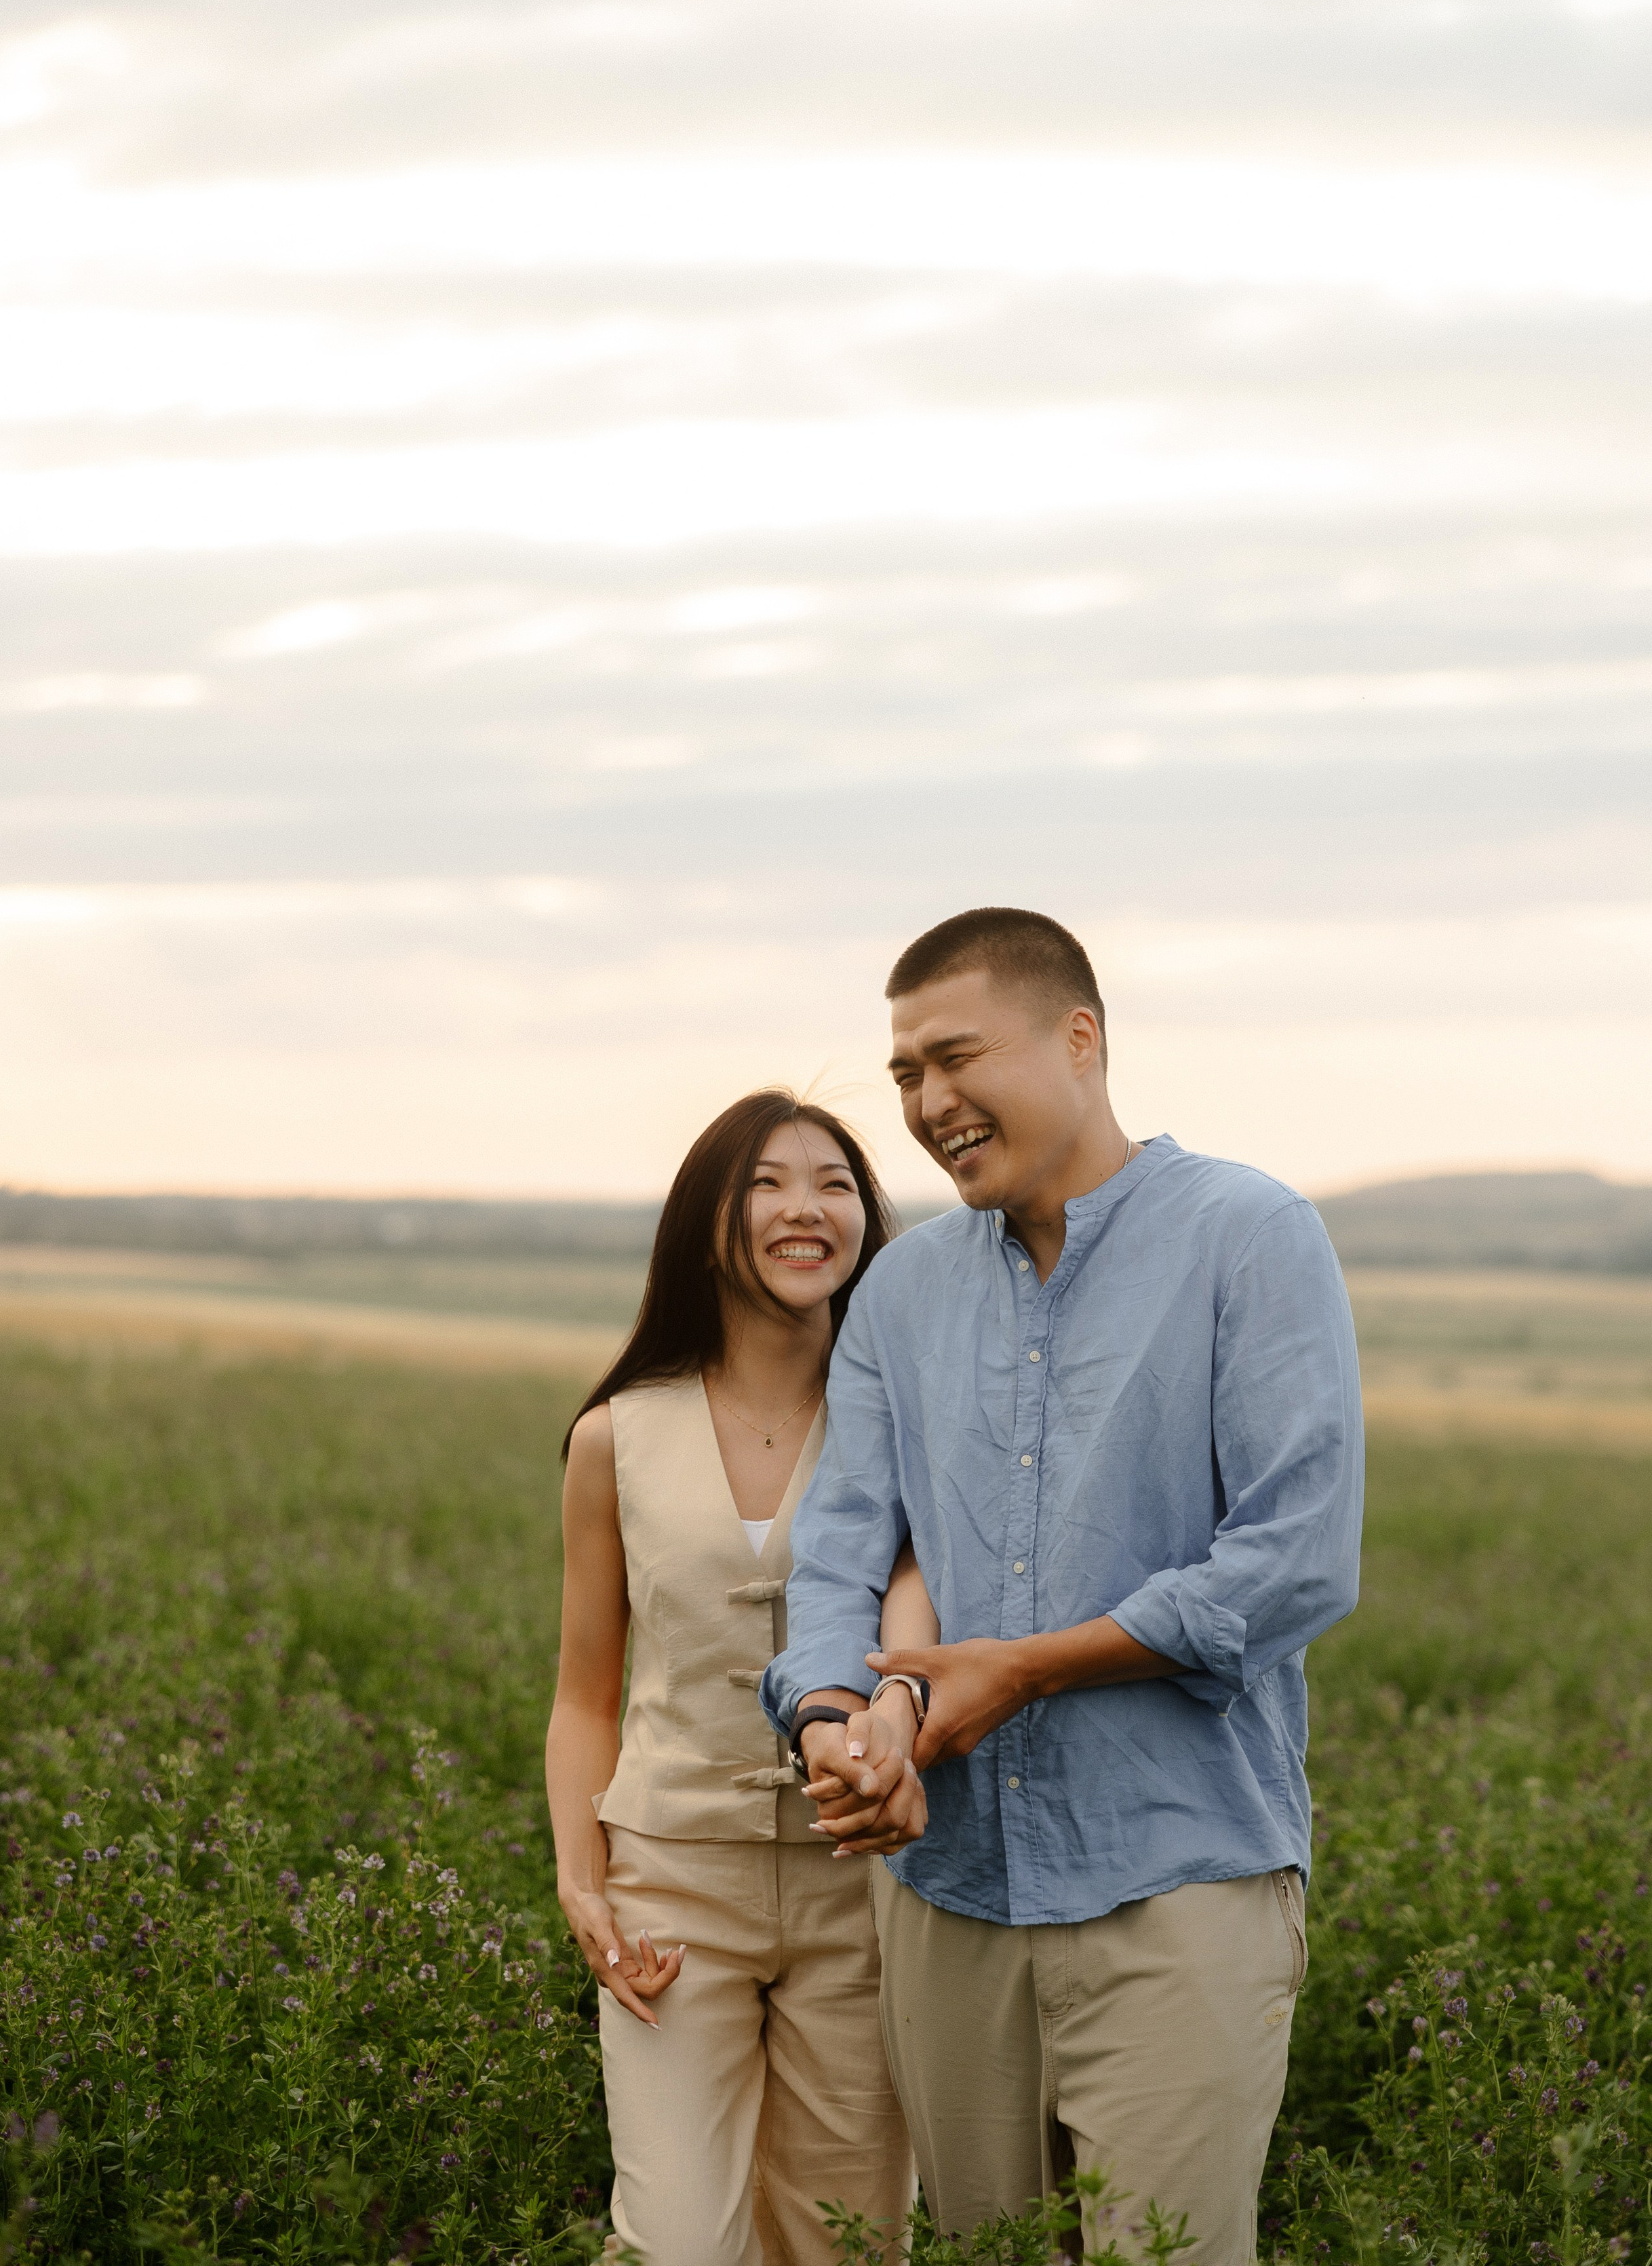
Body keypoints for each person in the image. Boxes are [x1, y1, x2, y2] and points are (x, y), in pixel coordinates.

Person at [761, 909, 1364, 2264]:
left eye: (955, 1056)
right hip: (946, 1891)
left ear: (1079, 1039)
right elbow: (840, 1554)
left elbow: (1296, 1557)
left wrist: (1027, 1669)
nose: (928, 1101)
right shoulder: (903, 1292)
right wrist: (830, 1722)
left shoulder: (1249, 1235)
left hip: (1178, 1881)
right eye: (905, 1073)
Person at [546, 1091, 921, 2266]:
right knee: (676, 2243)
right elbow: (584, 1694)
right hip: (671, 1889)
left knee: (848, 2241)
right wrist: (581, 1879)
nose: (806, 1209)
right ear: (705, 1221)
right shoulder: (615, 1436)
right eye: (766, 1183)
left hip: (866, 1895)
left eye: (835, 1184)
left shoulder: (912, 1426)